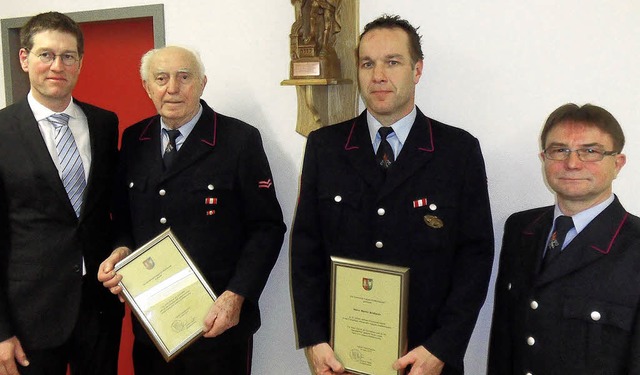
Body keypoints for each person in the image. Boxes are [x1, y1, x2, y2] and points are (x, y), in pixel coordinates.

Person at [290, 14, 494, 375]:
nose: (378, 75)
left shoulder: (457, 151)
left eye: (392, 62)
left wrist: (443, 347)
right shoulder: (326, 147)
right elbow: (306, 249)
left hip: (425, 358)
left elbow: (475, 258)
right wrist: (314, 337)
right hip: (343, 357)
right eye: (367, 63)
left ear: (417, 70)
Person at [97, 45, 285, 375]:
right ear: (147, 87)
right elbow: (122, 219)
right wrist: (121, 251)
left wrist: (236, 295)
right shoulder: (133, 140)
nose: (172, 88)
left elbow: (267, 227)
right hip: (153, 327)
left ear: (202, 83)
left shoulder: (238, 140)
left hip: (218, 327)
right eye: (161, 78)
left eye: (184, 77)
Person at [0, 11, 122, 375]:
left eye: (68, 56)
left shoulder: (104, 123)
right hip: (28, 319)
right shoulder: (2, 131)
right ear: (24, 59)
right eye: (46, 54)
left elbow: (108, 210)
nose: (57, 65)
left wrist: (122, 247)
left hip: (99, 311)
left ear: (80, 63)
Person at [488, 103, 640, 374]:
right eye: (559, 150)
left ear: (618, 164)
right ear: (543, 158)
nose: (572, 164)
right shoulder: (521, 229)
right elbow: (504, 339)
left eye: (590, 151)